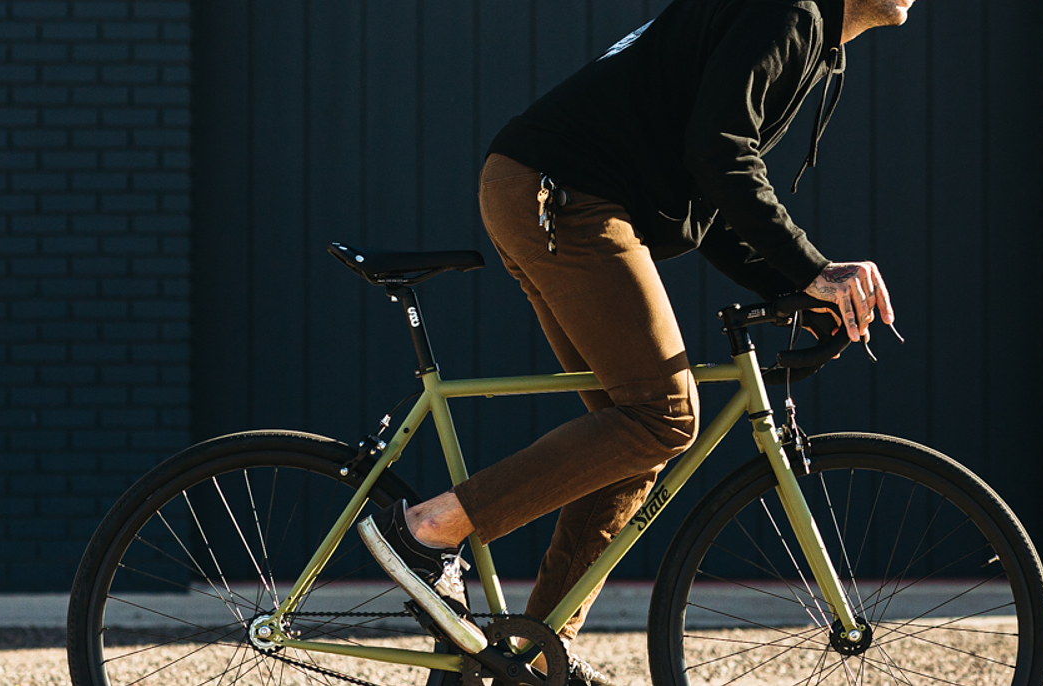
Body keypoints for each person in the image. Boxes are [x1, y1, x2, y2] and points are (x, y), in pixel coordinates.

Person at [359, 0, 907, 682]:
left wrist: (794, 289)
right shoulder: (788, 12)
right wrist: (815, 269)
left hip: (545, 187)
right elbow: (721, 157)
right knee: (664, 415)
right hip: (565, 195)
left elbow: (711, 198)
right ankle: (427, 528)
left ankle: (528, 659)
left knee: (633, 440)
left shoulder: (812, 36)